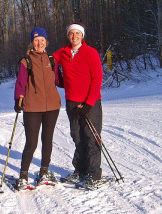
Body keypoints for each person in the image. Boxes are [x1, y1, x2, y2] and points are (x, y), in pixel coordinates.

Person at [53, 23, 103, 186]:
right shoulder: (63, 52)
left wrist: (88, 104)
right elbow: (47, 60)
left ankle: (94, 175)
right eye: (71, 34)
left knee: (91, 137)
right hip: (72, 101)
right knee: (77, 135)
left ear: (82, 36)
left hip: (91, 102)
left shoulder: (91, 53)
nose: (74, 36)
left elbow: (97, 79)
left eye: (77, 33)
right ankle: (80, 170)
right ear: (68, 36)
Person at [14, 27, 62, 190]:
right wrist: (18, 100)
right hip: (33, 107)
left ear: (46, 41)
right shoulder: (25, 61)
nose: (39, 43)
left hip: (52, 106)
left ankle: (44, 172)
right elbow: (20, 83)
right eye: (36, 40)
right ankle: (23, 176)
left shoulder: (51, 59)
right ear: (32, 43)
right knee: (32, 142)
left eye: (42, 40)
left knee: (47, 140)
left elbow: (59, 80)